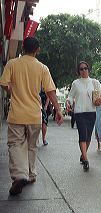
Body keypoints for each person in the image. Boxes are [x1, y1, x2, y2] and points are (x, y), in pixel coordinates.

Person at [0, 37, 63, 195]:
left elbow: (3, 82)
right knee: (31, 146)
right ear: (38, 50)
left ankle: (20, 175)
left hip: (16, 115)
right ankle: (31, 174)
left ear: (22, 48)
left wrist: (11, 92)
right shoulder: (42, 67)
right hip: (35, 115)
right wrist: (58, 110)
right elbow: (50, 91)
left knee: (16, 145)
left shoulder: (12, 64)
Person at [66, 61, 101, 171]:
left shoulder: (94, 82)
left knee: (88, 137)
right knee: (83, 135)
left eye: (85, 68)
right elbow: (70, 96)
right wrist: (68, 102)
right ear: (78, 71)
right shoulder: (75, 83)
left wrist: (100, 99)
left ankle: (83, 155)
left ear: (88, 69)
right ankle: (86, 160)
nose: (84, 70)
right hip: (79, 113)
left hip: (91, 112)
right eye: (81, 69)